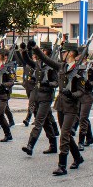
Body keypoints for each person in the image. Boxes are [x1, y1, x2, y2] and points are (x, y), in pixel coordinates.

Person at [32, 41, 86, 175]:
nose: (62, 54)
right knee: (66, 133)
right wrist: (35, 48)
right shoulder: (62, 66)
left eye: (64, 52)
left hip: (71, 107)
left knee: (64, 135)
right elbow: (46, 59)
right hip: (61, 105)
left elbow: (81, 91)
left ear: (71, 53)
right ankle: (78, 157)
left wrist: (72, 94)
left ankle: (62, 165)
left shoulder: (79, 70)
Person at [19, 41, 60, 156]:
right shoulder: (38, 63)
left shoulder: (52, 65)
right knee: (45, 122)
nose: (40, 51)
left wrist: (49, 83)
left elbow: (56, 82)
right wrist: (23, 50)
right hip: (36, 95)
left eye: (43, 50)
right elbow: (27, 60)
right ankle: (53, 145)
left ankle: (30, 145)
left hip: (46, 96)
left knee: (38, 122)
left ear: (47, 52)